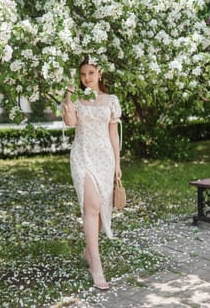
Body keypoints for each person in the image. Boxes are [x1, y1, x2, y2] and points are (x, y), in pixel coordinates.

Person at [62, 56, 122, 290]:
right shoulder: (76, 99)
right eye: (82, 74)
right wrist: (68, 96)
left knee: (98, 208)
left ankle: (89, 250)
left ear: (100, 73)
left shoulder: (110, 100)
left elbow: (113, 134)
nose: (86, 78)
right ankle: (96, 266)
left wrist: (117, 163)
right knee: (91, 206)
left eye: (90, 73)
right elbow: (69, 122)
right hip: (82, 156)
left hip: (105, 158)